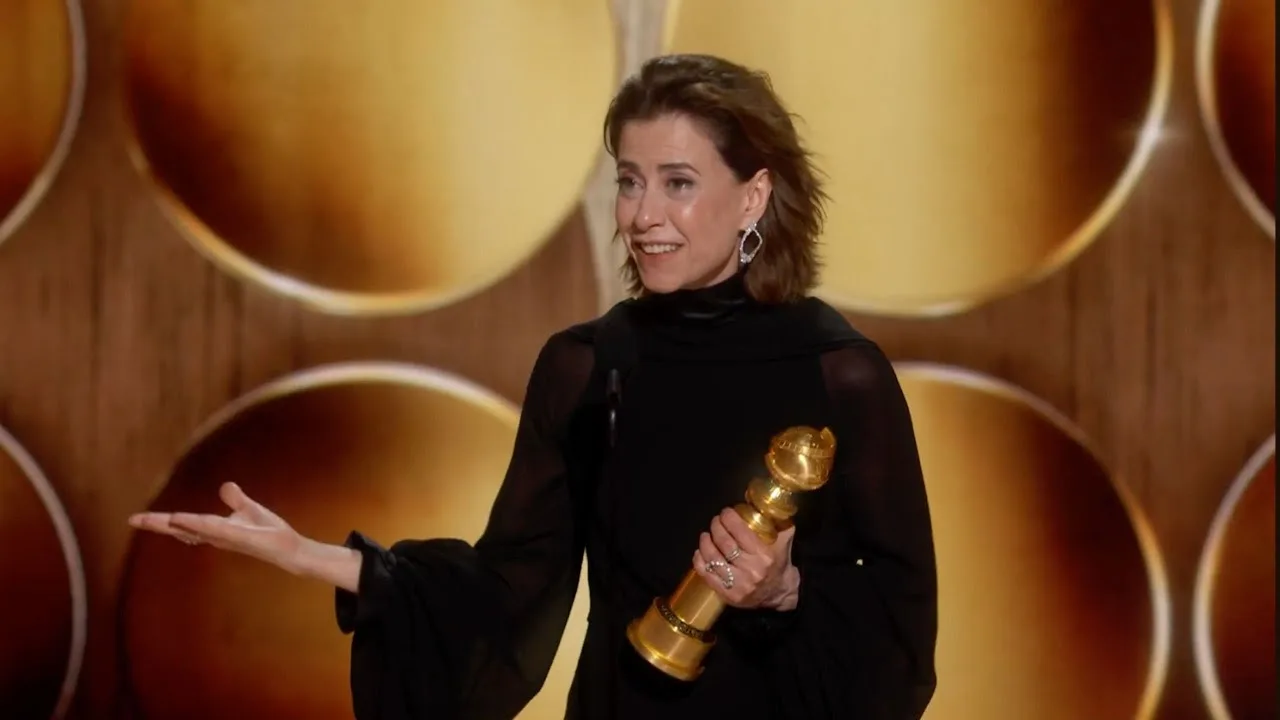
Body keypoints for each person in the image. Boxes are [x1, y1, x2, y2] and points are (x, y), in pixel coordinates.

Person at [129, 53, 938, 719]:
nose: (643, 215)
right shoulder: (587, 366)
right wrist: (317, 559)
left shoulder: (841, 375)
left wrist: (784, 592)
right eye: (630, 181)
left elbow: (901, 633)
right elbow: (509, 587)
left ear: (752, 196)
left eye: (678, 182)